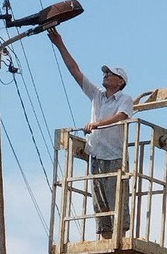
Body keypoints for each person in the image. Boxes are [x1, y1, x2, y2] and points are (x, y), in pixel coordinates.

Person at [48, 27, 132, 239]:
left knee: (118, 201)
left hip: (115, 157)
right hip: (96, 156)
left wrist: (97, 124)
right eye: (104, 73)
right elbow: (75, 70)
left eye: (109, 73)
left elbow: (121, 117)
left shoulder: (124, 98)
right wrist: (60, 44)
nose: (105, 75)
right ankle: (105, 240)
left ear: (119, 81)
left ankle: (120, 240)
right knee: (101, 205)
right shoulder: (97, 95)